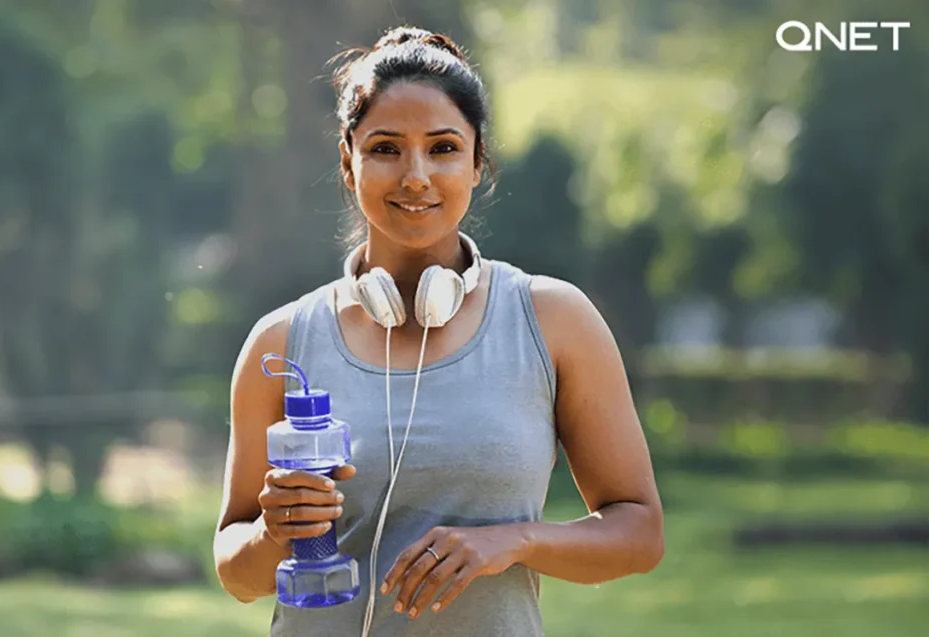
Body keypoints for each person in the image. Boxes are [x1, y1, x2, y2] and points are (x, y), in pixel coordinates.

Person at [213, 25, 664, 637]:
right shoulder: (282, 344)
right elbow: (239, 575)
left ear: (479, 163)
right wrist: (273, 531)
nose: (416, 175)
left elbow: (638, 533)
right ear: (349, 164)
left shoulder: (555, 321)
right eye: (386, 148)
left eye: (444, 148)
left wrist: (515, 541)